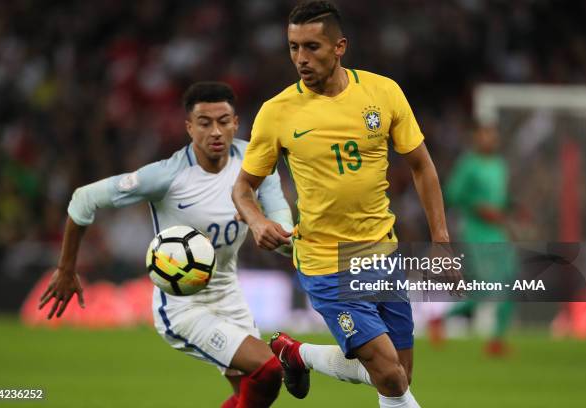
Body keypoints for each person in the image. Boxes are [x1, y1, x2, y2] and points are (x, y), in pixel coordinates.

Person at [232, 2, 451, 407]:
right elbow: (243, 188)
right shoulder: (277, 113)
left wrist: (441, 238)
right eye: (293, 47)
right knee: (389, 375)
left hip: (382, 254)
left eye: (312, 46)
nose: (301, 58)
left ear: (339, 47)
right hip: (325, 262)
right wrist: (257, 221)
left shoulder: (383, 93)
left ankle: (297, 353)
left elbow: (422, 166)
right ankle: (299, 354)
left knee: (398, 374)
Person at [38, 82, 293, 408]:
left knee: (259, 390)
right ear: (189, 127)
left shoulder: (257, 161)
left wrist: (278, 236)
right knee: (269, 367)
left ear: (236, 123)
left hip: (230, 294)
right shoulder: (166, 176)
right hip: (183, 305)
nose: (215, 131)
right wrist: (66, 268)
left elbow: (282, 224)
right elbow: (83, 199)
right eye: (204, 123)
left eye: (223, 121)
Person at [434, 124, 516, 356]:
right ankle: (442, 320)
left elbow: (500, 200)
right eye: (484, 135)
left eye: (492, 134)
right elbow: (452, 193)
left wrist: (512, 211)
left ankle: (497, 340)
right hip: (476, 232)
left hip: (498, 232)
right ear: (476, 138)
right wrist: (477, 207)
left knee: (511, 283)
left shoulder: (500, 165)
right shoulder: (468, 164)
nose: (488, 139)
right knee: (487, 288)